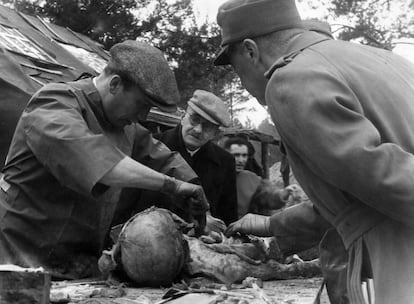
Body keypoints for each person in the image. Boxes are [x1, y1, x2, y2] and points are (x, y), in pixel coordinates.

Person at [214, 0, 414, 303]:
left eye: (237, 71)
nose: (244, 85)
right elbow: (360, 199)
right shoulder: (386, 59)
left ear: (251, 51)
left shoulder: (290, 80)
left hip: (394, 264)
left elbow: (390, 180)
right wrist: (272, 224)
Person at [0, 40, 209, 279]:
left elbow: (163, 158)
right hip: (19, 261)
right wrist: (172, 186)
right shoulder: (52, 103)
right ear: (115, 84)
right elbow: (95, 160)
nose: (142, 116)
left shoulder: (125, 126)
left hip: (80, 265)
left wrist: (196, 196)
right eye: (141, 105)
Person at [155, 90, 238, 227]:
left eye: (208, 127)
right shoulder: (153, 146)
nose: (198, 130)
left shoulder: (225, 162)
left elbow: (228, 215)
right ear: (183, 117)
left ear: (215, 133)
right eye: (194, 119)